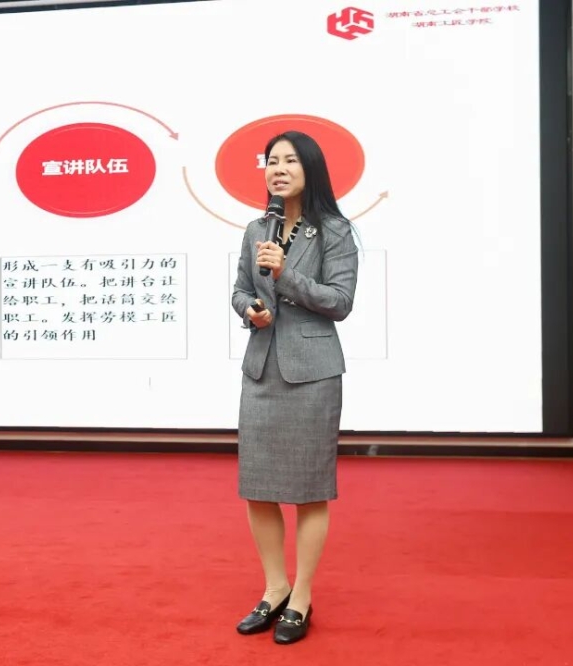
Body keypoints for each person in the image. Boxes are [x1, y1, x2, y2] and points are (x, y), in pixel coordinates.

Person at [230, 130, 360, 645]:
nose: (277, 169)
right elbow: (240, 289)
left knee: (308, 490)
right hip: (261, 369)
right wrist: (251, 311)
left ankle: (302, 594)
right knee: (258, 488)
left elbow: (340, 302)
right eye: (271, 161)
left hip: (313, 373)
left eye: (289, 161)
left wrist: (285, 276)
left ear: (310, 168)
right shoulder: (255, 229)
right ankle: (275, 587)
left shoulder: (334, 231)